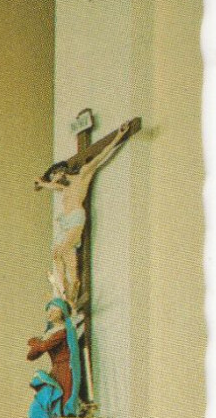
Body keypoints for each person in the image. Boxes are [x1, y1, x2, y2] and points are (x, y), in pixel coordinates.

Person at [35, 117, 139, 309]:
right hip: (65, 222)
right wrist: (42, 183)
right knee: (57, 255)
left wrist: (119, 135)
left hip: (75, 218)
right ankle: (65, 291)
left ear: (63, 171)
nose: (56, 180)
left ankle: (74, 290)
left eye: (57, 175)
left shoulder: (82, 175)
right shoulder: (63, 186)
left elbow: (100, 156)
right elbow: (50, 185)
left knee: (66, 250)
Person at [28, 298, 82, 418]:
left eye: (54, 310)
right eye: (49, 310)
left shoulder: (63, 331)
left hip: (65, 368)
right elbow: (31, 356)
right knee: (51, 393)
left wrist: (35, 342)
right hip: (56, 368)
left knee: (63, 395)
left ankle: (63, 417)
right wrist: (38, 344)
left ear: (62, 312)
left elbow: (44, 346)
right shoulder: (50, 333)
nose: (50, 313)